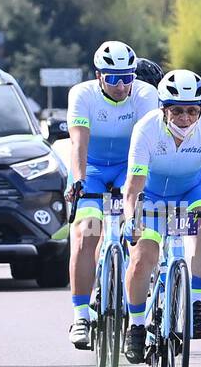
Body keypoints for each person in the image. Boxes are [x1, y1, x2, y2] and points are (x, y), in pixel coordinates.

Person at [120, 69, 201, 361]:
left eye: (192, 111)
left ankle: (196, 303)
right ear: (163, 109)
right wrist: (132, 220)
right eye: (177, 111)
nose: (185, 118)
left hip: (193, 189)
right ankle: (136, 325)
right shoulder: (146, 129)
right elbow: (133, 186)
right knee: (143, 257)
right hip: (153, 195)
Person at [64, 40, 159, 349]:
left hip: (127, 169)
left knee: (136, 232)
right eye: (113, 78)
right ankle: (81, 316)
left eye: (127, 77)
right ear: (98, 75)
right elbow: (79, 142)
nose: (121, 85)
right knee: (85, 233)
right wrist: (79, 181)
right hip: (91, 168)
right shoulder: (83, 95)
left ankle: (133, 299)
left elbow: (148, 141)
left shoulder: (146, 95)